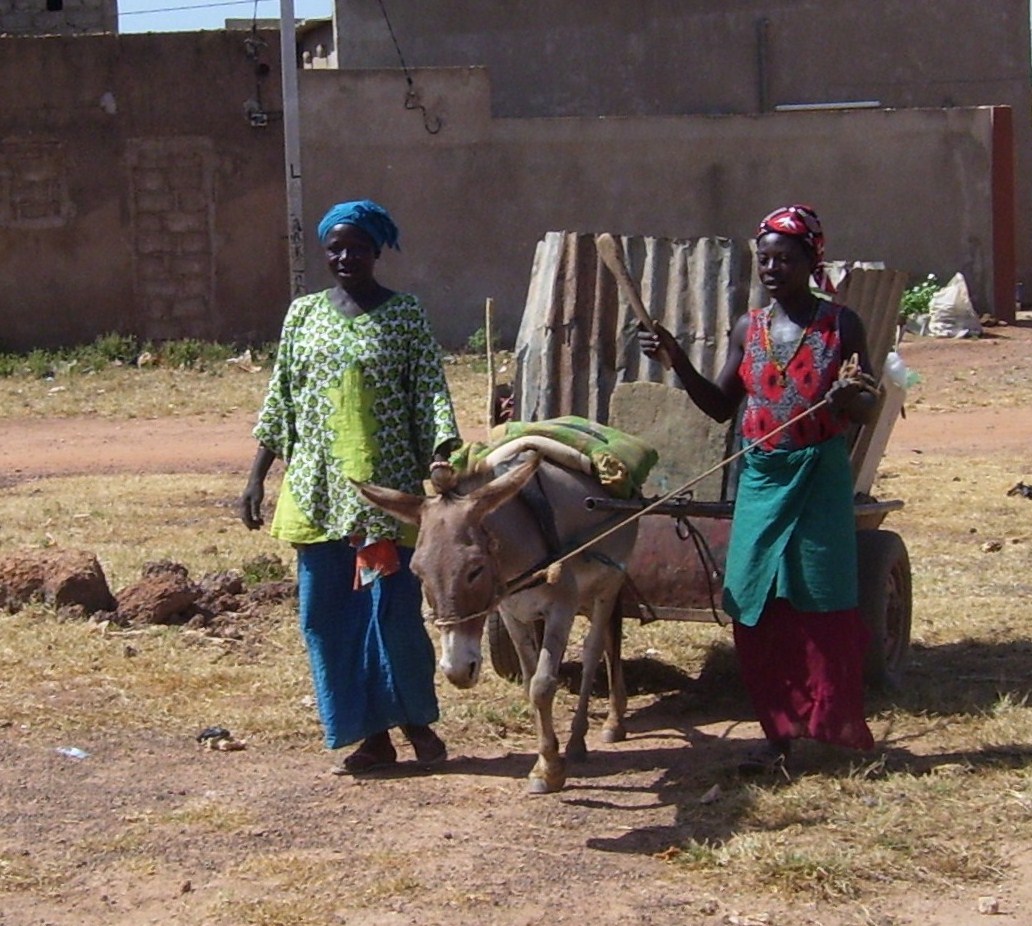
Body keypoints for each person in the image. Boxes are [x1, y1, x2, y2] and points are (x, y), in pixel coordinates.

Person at [639, 203, 878, 773]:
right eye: (764, 258)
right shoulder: (750, 328)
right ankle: (777, 730)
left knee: (820, 598)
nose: (772, 267)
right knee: (753, 600)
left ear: (811, 260)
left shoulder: (841, 325)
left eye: (785, 258)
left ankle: (828, 725)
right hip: (763, 477)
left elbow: (868, 404)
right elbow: (721, 406)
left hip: (819, 477)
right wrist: (677, 362)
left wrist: (850, 399)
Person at [240, 199, 461, 775]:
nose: (345, 257)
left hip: (380, 501)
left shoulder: (404, 315)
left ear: (376, 251)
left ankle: (417, 725)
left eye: (357, 247)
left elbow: (430, 392)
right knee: (326, 614)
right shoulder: (304, 315)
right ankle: (370, 736)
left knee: (388, 611)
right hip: (316, 495)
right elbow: (282, 398)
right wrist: (256, 476)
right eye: (335, 247)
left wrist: (442, 451)